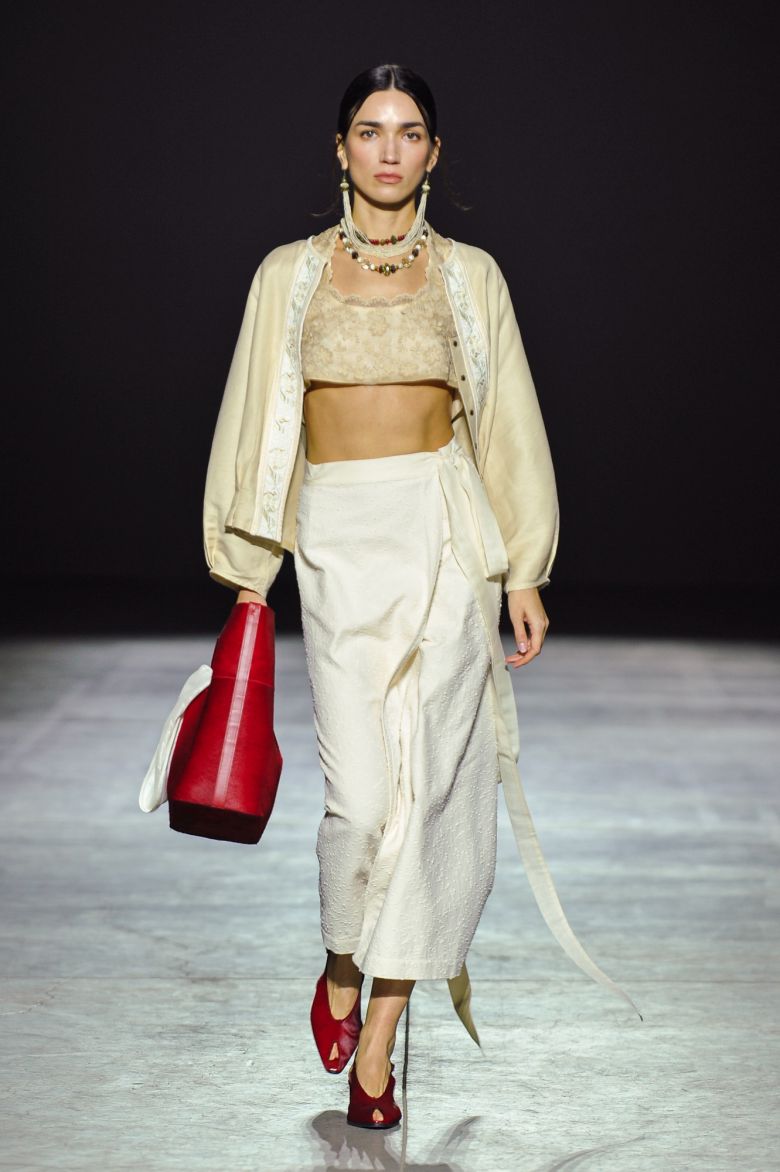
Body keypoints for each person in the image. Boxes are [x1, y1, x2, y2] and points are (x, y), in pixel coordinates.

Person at [202, 63, 640, 1130]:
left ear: (434, 153)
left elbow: (508, 422)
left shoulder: (470, 277)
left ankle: (379, 1046)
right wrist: (249, 575)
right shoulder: (289, 276)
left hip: (446, 538)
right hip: (339, 545)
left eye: (408, 133)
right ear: (340, 149)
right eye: (369, 130)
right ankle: (341, 962)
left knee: (436, 794)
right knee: (359, 804)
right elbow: (252, 418)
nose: (388, 150)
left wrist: (523, 565)